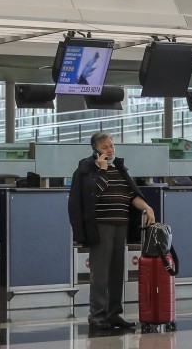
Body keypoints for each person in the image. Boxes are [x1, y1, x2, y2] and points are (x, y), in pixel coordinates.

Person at [68, 131, 155, 331]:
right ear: (96, 149)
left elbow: (131, 194)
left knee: (117, 272)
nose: (110, 150)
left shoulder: (119, 168)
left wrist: (147, 207)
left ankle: (114, 314)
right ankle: (97, 317)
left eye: (112, 146)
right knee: (100, 273)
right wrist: (102, 170)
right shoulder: (86, 169)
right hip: (101, 226)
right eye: (106, 147)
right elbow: (92, 194)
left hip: (120, 225)